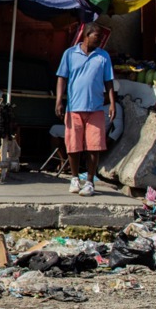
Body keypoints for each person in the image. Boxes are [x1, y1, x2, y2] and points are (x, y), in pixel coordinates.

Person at [55, 22, 116, 197]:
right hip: (74, 107)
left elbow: (109, 82)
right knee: (73, 146)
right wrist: (59, 100)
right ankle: (74, 178)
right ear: (87, 35)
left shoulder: (103, 56)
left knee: (94, 147)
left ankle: (89, 181)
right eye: (97, 36)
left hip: (95, 108)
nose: (100, 39)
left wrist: (112, 103)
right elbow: (62, 78)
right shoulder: (70, 54)